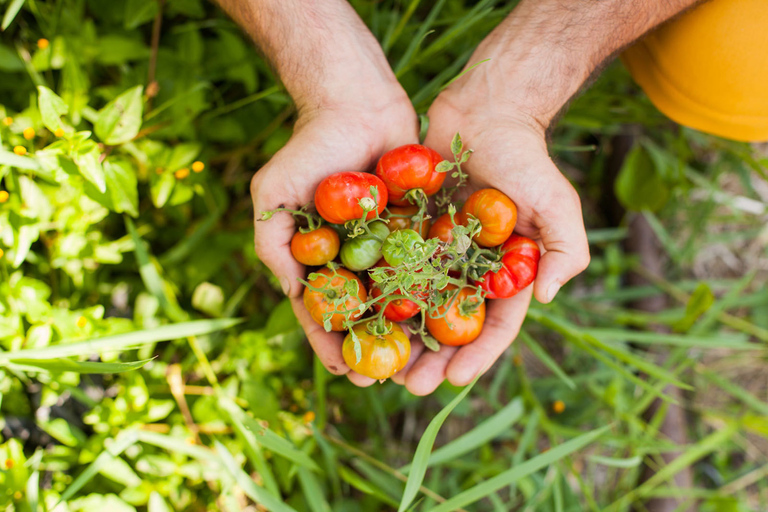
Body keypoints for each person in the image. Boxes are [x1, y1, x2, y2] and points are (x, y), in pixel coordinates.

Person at [214, 0, 705, 395]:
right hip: (401, 257)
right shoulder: (427, 248)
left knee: (725, 78)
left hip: (395, 255)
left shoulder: (421, 250)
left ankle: (668, 70)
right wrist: (328, 81)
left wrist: (514, 100)